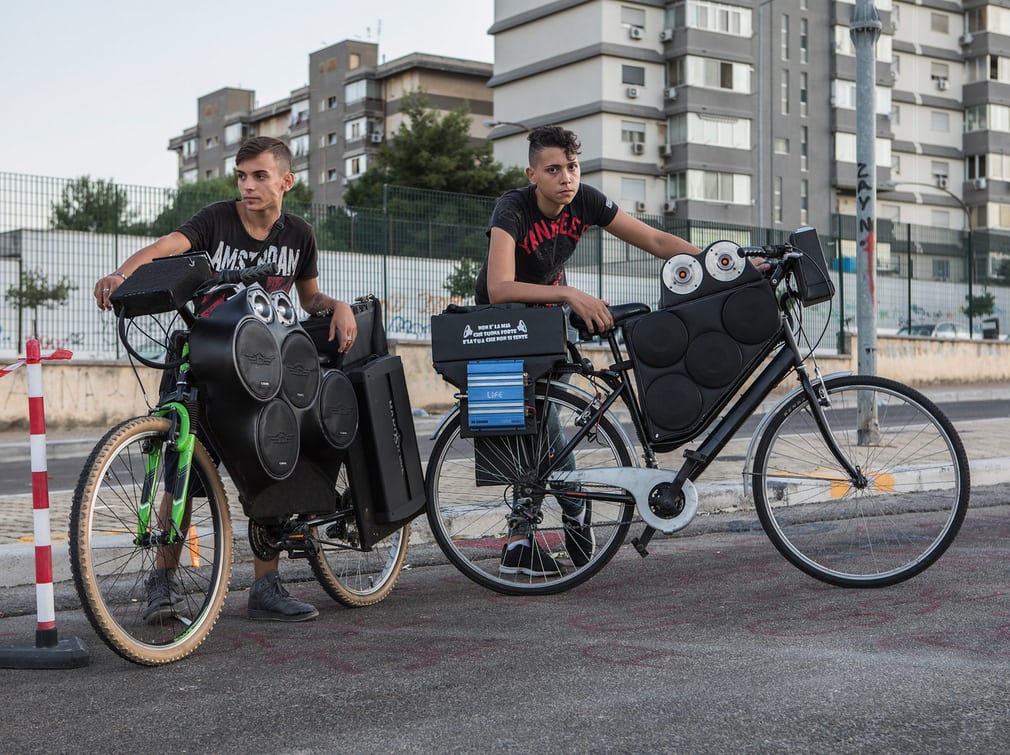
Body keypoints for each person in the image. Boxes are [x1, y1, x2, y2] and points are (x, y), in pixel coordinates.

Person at [94, 136, 357, 623]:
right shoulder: (217, 219)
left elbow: (309, 300)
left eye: (259, 176)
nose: (248, 186)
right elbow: (165, 248)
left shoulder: (298, 234)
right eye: (242, 176)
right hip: (206, 363)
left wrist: (337, 306)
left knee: (271, 464)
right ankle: (162, 585)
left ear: (286, 181)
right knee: (182, 470)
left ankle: (266, 587)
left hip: (265, 371)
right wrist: (120, 274)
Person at [475, 124, 704, 578]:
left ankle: (535, 531)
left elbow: (655, 241)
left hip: (547, 326)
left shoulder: (587, 201)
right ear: (532, 174)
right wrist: (568, 294)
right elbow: (498, 287)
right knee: (524, 426)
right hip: (498, 329)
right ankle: (559, 514)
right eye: (554, 169)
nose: (566, 178)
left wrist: (719, 263)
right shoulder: (512, 208)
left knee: (543, 421)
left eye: (573, 167)